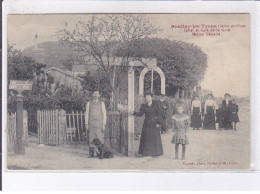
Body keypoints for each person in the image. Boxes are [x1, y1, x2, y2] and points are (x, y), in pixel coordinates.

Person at [131, 92, 163, 157]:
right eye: (146, 97)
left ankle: (156, 152)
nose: (147, 98)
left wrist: (158, 123)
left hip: (154, 123)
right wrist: (133, 113)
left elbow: (159, 114)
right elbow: (140, 114)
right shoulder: (144, 106)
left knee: (154, 138)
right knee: (146, 137)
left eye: (148, 96)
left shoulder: (156, 104)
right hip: (146, 124)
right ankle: (146, 153)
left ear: (151, 97)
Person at [85, 90, 107, 157]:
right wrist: (86, 123)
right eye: (94, 94)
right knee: (91, 138)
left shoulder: (102, 103)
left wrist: (104, 124)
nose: (95, 95)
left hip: (99, 123)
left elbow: (104, 114)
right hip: (91, 123)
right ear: (92, 95)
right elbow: (87, 113)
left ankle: (100, 153)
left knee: (100, 138)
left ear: (99, 95)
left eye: (97, 94)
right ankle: (91, 154)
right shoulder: (89, 103)